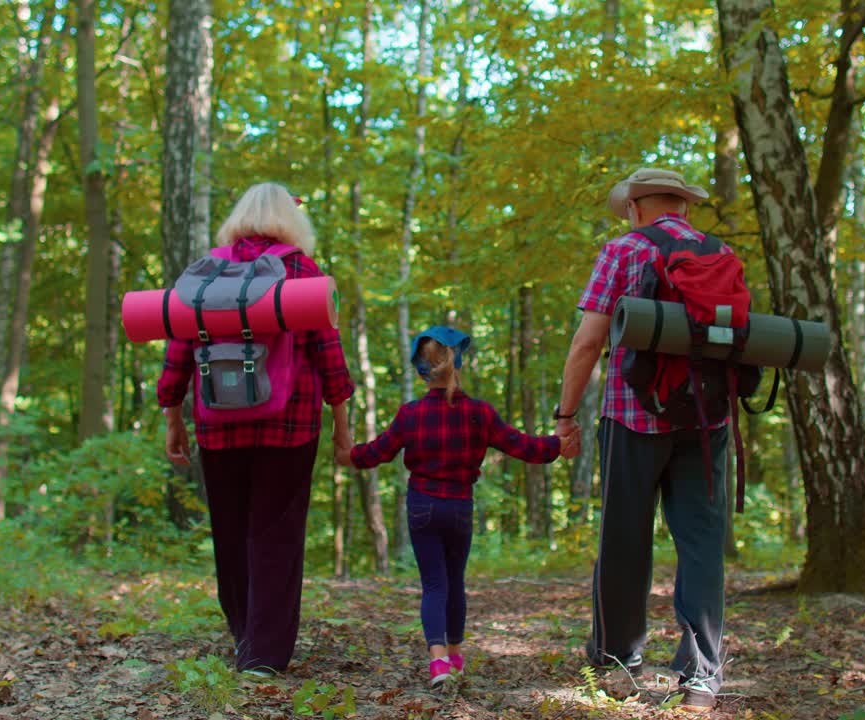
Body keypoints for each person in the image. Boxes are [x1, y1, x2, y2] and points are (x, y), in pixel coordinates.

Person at [158, 182, 355, 677]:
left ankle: (244, 634)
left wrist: (173, 418)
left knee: (230, 530)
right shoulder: (300, 271)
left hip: (217, 423)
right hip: (290, 422)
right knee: (277, 530)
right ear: (292, 221)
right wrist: (342, 427)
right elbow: (328, 356)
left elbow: (179, 348)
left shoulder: (207, 272)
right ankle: (264, 654)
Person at [554, 167, 729, 713]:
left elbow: (588, 341)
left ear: (635, 206)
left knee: (625, 537)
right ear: (684, 208)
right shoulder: (719, 253)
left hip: (633, 415)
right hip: (708, 420)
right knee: (701, 542)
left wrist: (565, 415)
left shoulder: (623, 251)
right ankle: (702, 678)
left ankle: (617, 662)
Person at [338, 327, 576, 687]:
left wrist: (348, 455)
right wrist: (559, 444)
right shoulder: (480, 413)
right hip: (459, 509)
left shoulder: (410, 414)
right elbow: (525, 447)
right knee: (455, 584)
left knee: (434, 585)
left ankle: (438, 665)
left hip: (422, 507)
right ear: (458, 365)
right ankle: (456, 656)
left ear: (422, 371)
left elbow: (377, 453)